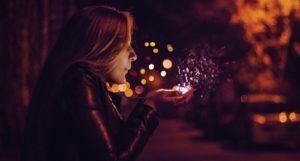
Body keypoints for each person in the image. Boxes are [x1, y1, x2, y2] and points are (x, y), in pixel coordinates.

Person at [22, 6, 194, 161]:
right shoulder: (79, 78)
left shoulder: (82, 81)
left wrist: (150, 102)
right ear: (102, 46)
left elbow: (112, 146)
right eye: (126, 45)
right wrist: (151, 106)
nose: (133, 54)